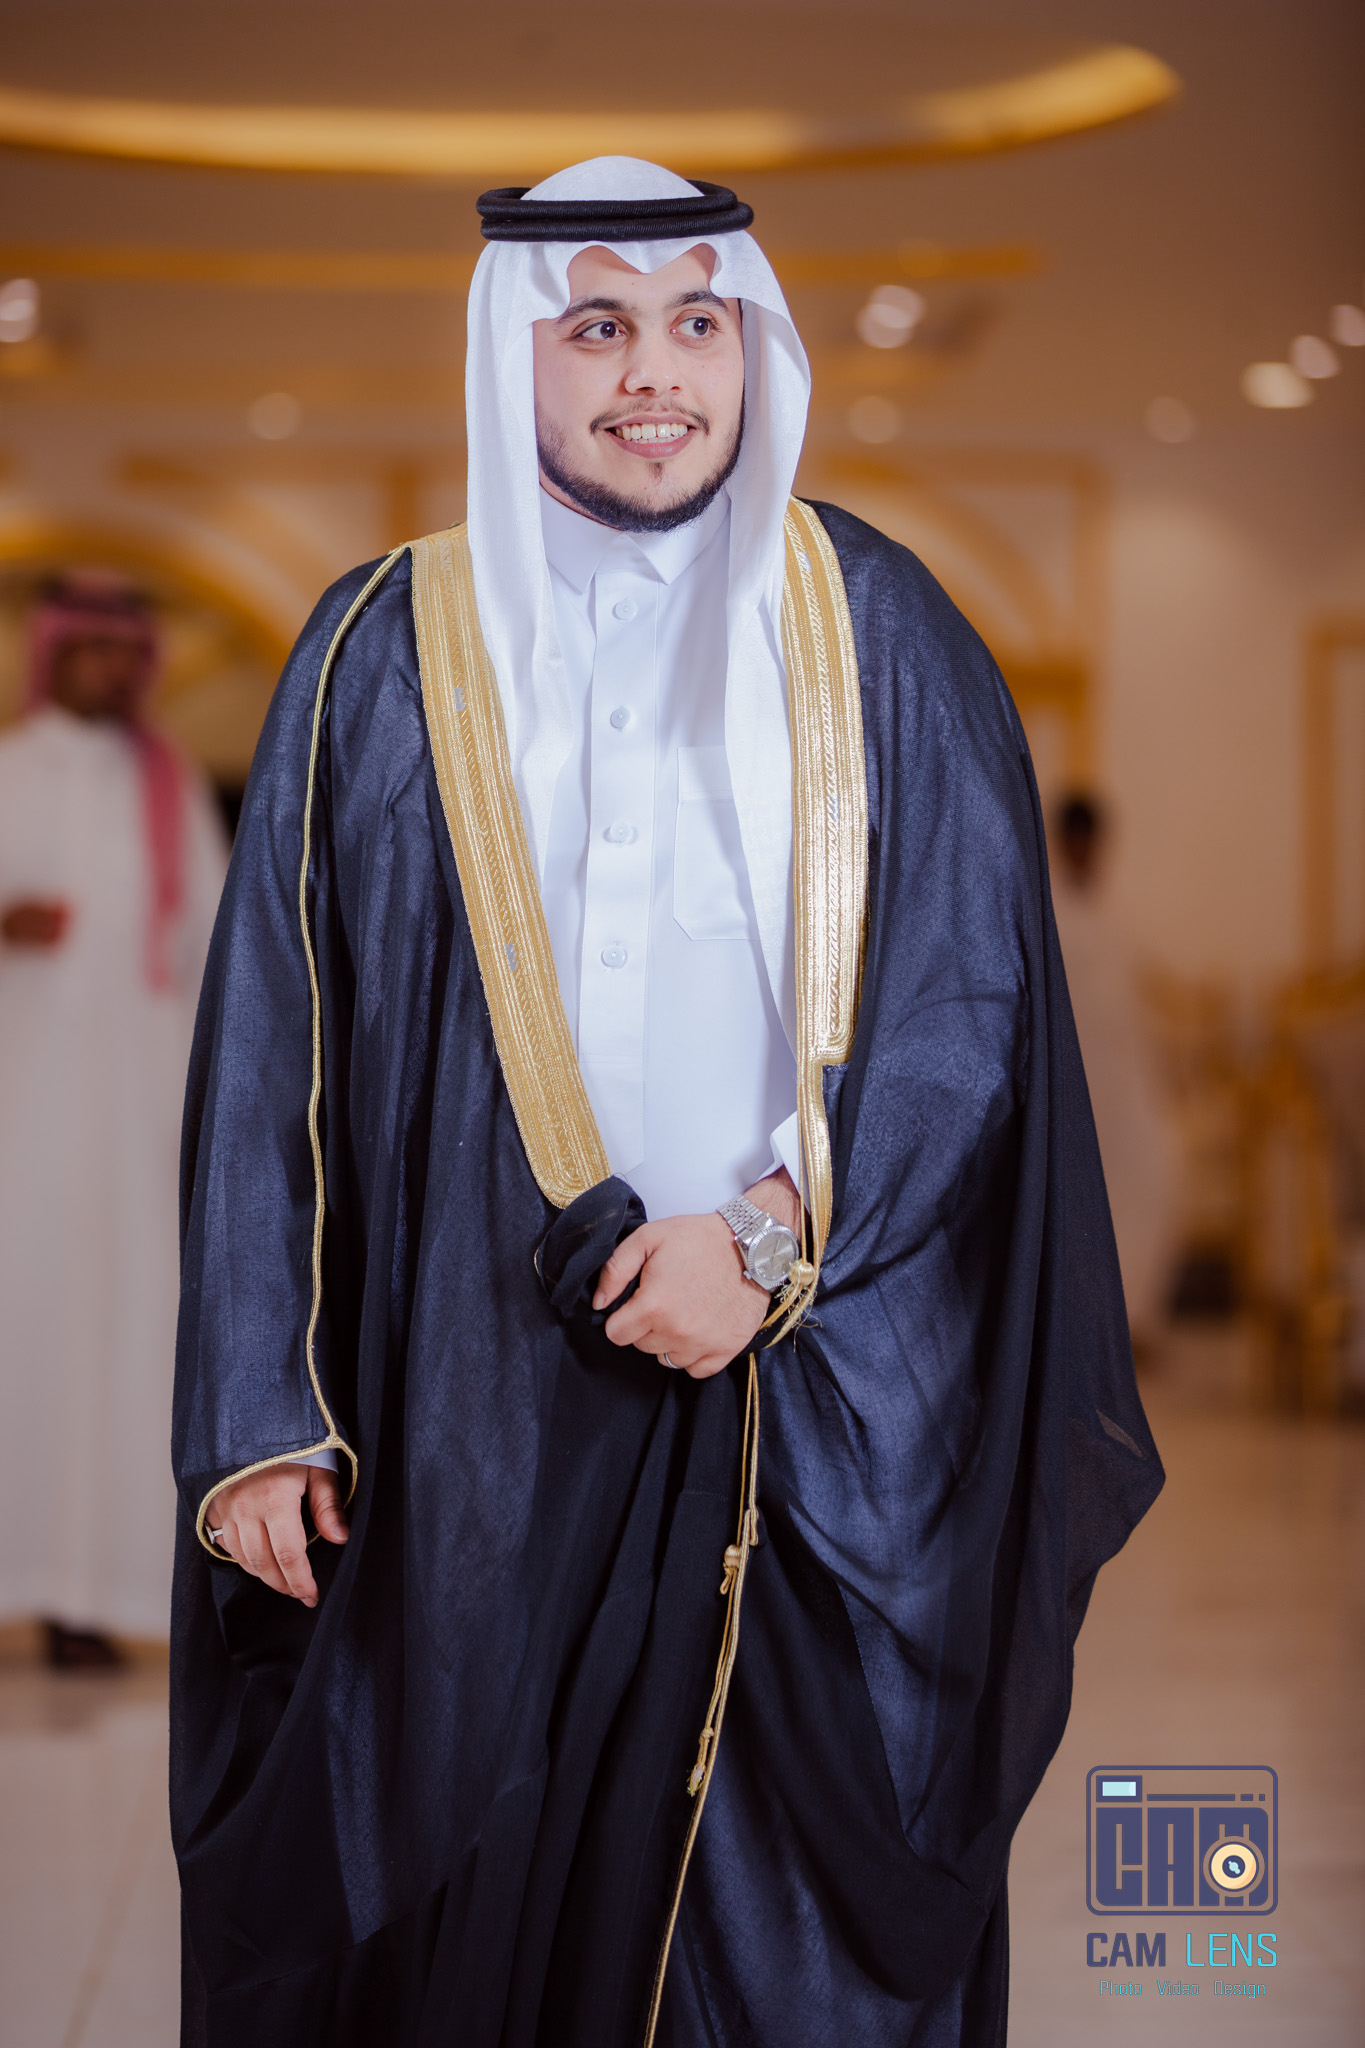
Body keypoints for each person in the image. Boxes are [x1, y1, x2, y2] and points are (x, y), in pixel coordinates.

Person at [172, 160, 1162, 2048]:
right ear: (514, 358)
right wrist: (258, 1412)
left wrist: (773, 1240)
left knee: (773, 1946)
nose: (656, 373)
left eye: (700, 323)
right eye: (601, 327)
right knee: (450, 1912)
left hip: (806, 1392)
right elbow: (270, 1048)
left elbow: (966, 1017)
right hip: (451, 1396)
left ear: (751, 349)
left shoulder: (880, 627)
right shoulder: (379, 647)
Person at [0, 575, 227, 1667]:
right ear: (55, 655)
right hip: (27, 1111)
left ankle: (90, 1599)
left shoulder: (167, 782)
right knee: (27, 1321)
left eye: (125, 650)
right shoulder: (11, 770)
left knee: (126, 1331)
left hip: (138, 1110)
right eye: (90, 648)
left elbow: (221, 947)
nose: (110, 667)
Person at [1050, 792, 1179, 1347]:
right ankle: (1088, 1328)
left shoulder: (1116, 912)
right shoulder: (1048, 910)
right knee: (1078, 1199)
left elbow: (1136, 1008)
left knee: (1156, 1176)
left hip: (1125, 1085)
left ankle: (1133, 1318)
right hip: (1073, 1085)